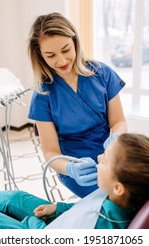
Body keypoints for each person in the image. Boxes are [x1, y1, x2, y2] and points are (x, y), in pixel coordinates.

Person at [28, 12, 127, 198]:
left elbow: (118, 121)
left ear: (75, 42)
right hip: (75, 163)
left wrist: (116, 138)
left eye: (66, 50)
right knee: (108, 199)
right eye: (51, 55)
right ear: (40, 56)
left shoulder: (103, 74)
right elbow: (50, 152)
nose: (62, 61)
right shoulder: (43, 94)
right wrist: (70, 168)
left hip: (111, 153)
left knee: (138, 189)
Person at [0, 133, 149, 229]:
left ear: (118, 188)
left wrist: (32, 222)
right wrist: (57, 209)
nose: (99, 157)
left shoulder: (94, 226)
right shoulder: (120, 195)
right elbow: (83, 208)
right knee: (16, 198)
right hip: (60, 222)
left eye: (105, 159)